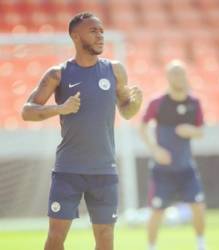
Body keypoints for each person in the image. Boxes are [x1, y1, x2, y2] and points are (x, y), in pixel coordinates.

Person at [21, 12, 142, 250]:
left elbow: (126, 112)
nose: (100, 36)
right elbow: (27, 111)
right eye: (93, 31)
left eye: (101, 31)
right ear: (75, 36)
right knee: (56, 237)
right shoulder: (59, 73)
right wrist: (60, 108)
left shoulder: (115, 70)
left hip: (104, 171)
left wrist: (135, 104)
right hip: (68, 170)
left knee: (106, 236)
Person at [140, 60, 206, 250]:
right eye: (176, 73)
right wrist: (155, 150)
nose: (180, 77)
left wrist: (190, 130)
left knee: (199, 207)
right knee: (156, 211)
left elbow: (201, 131)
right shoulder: (158, 103)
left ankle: (201, 245)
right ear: (168, 77)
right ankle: (151, 247)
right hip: (162, 170)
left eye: (182, 73)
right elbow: (142, 127)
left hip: (186, 167)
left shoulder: (195, 103)